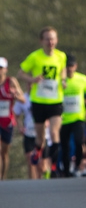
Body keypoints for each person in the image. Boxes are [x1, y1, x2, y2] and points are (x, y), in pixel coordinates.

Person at [18, 26, 68, 177]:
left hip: (55, 100)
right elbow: (20, 73)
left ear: (56, 40)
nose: (50, 42)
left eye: (53, 38)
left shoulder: (61, 56)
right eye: (47, 39)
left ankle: (53, 166)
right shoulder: (35, 57)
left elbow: (63, 70)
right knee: (40, 138)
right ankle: (38, 149)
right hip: (39, 101)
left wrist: (64, 79)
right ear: (41, 41)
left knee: (54, 132)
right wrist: (32, 79)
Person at [60, 55, 86, 177]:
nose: (69, 69)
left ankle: (78, 164)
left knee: (79, 141)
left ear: (76, 66)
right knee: (65, 145)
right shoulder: (60, 81)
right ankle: (67, 170)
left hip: (78, 117)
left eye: (72, 66)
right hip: (63, 119)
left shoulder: (82, 79)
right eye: (67, 66)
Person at [0, 57, 26, 180]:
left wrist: (15, 94)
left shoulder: (11, 81)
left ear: (6, 69)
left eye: (1, 68)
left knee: (4, 152)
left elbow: (23, 99)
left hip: (7, 121)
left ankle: (3, 178)